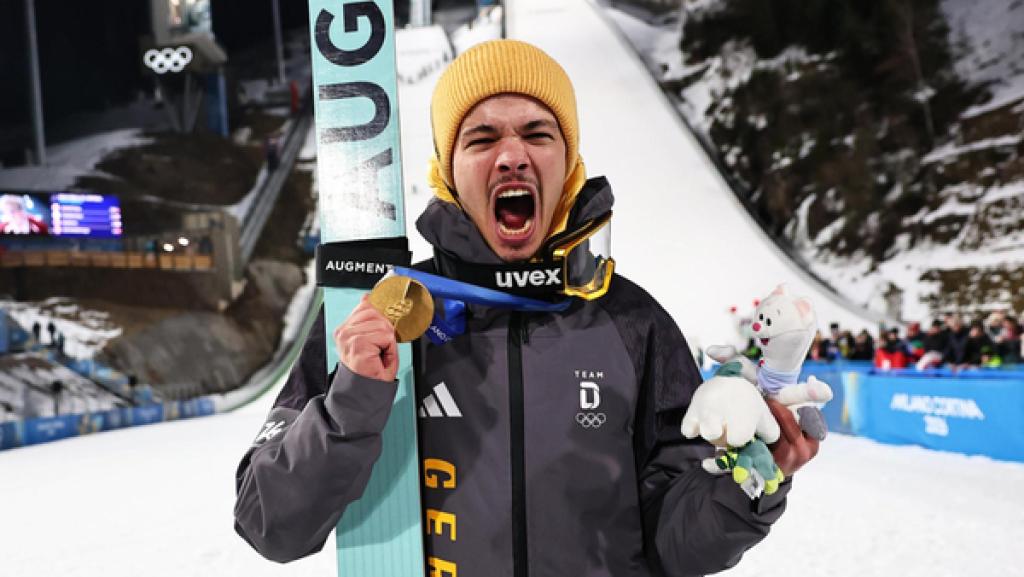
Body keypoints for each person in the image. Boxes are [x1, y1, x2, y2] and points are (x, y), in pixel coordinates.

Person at [233, 40, 820, 575]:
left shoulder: (632, 322)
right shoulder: (383, 318)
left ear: (567, 167)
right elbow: (270, 526)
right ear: (447, 173)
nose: (512, 155)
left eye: (538, 134)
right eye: (482, 138)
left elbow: (676, 544)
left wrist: (748, 482)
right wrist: (352, 405)